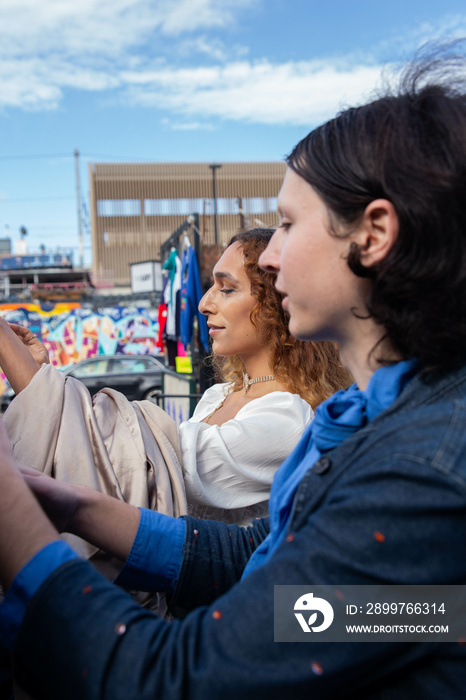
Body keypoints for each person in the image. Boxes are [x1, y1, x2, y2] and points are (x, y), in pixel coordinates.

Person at [2, 43, 466, 699]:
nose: (269, 257)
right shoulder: (379, 425)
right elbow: (270, 570)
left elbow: (172, 680)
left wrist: (10, 519)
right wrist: (71, 504)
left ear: (373, 234)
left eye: (285, 224)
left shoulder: (420, 473)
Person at [0, 228, 350, 541]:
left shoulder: (288, 419)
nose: (203, 303)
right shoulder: (218, 396)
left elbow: (137, 459)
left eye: (227, 289)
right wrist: (37, 375)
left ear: (279, 303)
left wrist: (21, 363)